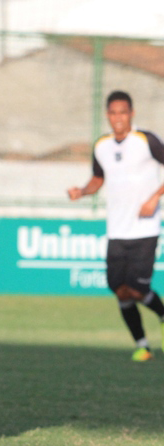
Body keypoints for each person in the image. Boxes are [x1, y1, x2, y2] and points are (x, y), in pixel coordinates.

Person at [67, 90, 164, 362]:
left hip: (145, 229)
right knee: (119, 289)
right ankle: (142, 346)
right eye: (113, 113)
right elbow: (98, 179)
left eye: (123, 112)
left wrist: (154, 197)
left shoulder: (146, 140)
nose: (118, 118)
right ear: (108, 115)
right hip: (117, 231)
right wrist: (82, 191)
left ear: (131, 114)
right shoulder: (102, 146)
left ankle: (163, 315)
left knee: (136, 288)